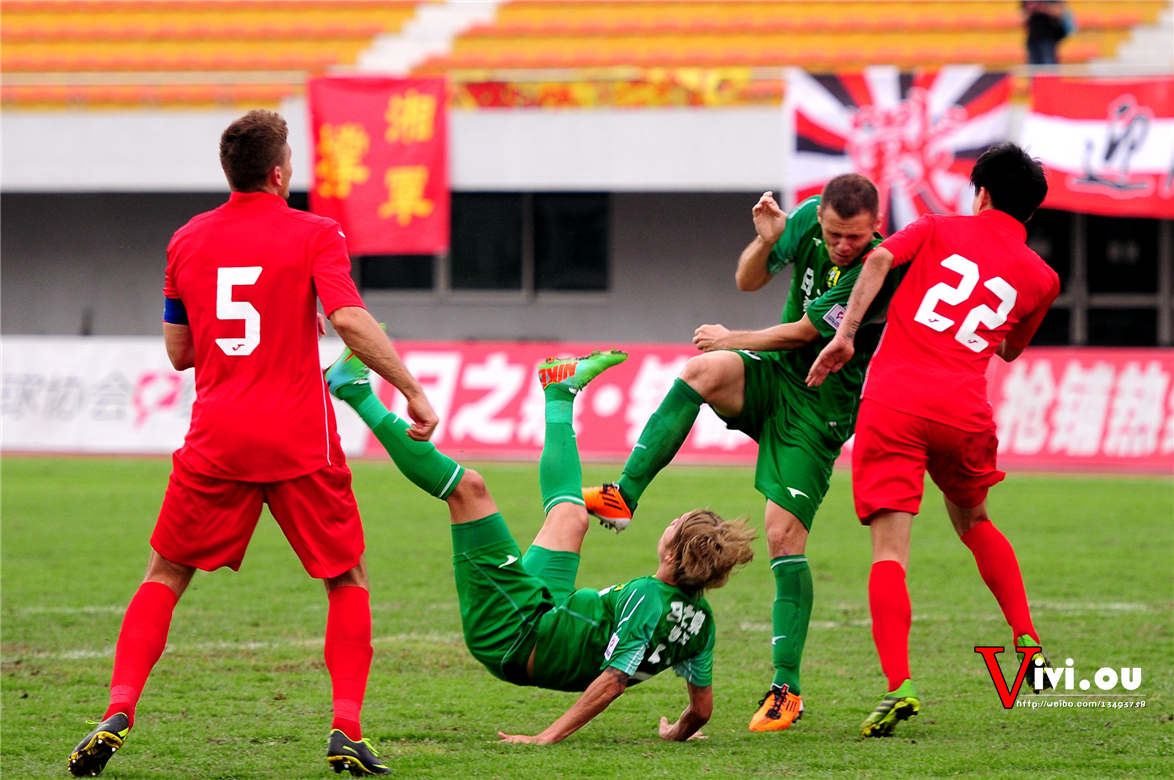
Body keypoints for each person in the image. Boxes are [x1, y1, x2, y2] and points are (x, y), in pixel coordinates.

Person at [68, 110, 441, 778]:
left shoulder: (186, 240)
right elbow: (350, 318)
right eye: (291, 157)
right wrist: (410, 389)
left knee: (164, 576)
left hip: (217, 438)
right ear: (278, 172)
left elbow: (179, 352)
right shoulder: (316, 232)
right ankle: (345, 731)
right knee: (345, 577)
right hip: (299, 438)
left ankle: (119, 708)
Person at [581, 175, 902, 733]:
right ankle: (622, 495)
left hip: (815, 410)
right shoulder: (805, 219)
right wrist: (764, 239)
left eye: (855, 236)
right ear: (819, 217)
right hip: (771, 380)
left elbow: (805, 332)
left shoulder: (880, 268)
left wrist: (734, 338)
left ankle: (786, 690)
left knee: (782, 536)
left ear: (876, 227)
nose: (843, 246)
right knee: (700, 372)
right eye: (833, 234)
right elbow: (748, 279)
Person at [324, 346, 756, 743]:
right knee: (571, 517)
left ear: (670, 552)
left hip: (514, 632)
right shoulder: (702, 623)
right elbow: (701, 710)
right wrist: (676, 732)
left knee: (468, 489)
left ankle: (354, 389)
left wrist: (546, 737)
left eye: (673, 524)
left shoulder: (647, 599)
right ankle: (559, 389)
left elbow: (612, 682)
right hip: (549, 610)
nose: (668, 523)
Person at [807, 142, 1061, 738]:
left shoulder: (936, 227)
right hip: (965, 413)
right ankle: (1026, 642)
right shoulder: (1042, 277)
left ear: (982, 193)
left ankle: (899, 687)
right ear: (1028, 210)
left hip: (894, 402)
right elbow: (1010, 347)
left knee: (890, 552)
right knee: (974, 521)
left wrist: (845, 336)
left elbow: (873, 264)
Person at [1023, 1, 1072, 65]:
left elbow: (1060, 12)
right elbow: (1022, 18)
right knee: (1033, 68)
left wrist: (1043, 8)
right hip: (1033, 39)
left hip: (1048, 38)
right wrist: (1030, 10)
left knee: (1049, 67)